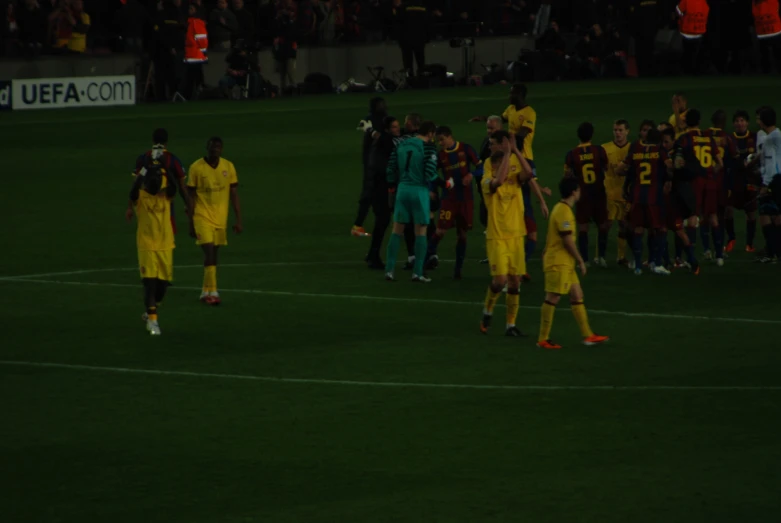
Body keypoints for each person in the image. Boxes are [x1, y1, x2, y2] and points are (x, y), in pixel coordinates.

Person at [471, 84, 550, 282]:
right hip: (509, 158)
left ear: (520, 95)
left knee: (523, 194)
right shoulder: (510, 110)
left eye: (511, 93)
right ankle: (512, 258)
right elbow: (502, 117)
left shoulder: (529, 113)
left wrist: (507, 141)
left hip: (524, 156)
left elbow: (522, 133)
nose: (509, 96)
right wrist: (485, 120)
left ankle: (516, 260)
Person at [537, 177, 609, 350]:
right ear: (574, 191)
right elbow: (567, 240)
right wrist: (580, 261)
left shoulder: (562, 209)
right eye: (579, 189)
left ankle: (588, 336)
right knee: (553, 297)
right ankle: (543, 339)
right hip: (558, 262)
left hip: (564, 263)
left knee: (577, 295)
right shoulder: (563, 211)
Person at [479, 131, 534, 338]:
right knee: (499, 281)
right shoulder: (486, 179)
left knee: (514, 282)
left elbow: (528, 174)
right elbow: (499, 181)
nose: (492, 147)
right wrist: (508, 152)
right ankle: (488, 311)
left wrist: (516, 152)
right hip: (497, 236)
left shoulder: (514, 173)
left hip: (516, 234)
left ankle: (510, 325)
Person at [187, 137, 243, 304]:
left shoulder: (228, 166)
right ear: (207, 148)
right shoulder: (196, 167)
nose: (215, 149)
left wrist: (238, 219)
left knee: (214, 255)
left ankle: (205, 291)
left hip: (220, 219)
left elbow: (234, 194)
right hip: (202, 216)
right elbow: (190, 196)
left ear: (222, 149)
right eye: (212, 147)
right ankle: (213, 292)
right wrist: (191, 222)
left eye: (218, 147)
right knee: (209, 252)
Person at [128, 155, 178, 336]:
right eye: (153, 179)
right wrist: (143, 170)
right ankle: (153, 321)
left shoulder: (165, 196)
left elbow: (175, 187)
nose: (156, 182)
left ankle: (150, 311)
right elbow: (132, 191)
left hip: (165, 245)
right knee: (149, 283)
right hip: (147, 245)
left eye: (158, 179)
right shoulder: (140, 197)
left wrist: (165, 166)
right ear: (147, 181)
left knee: (162, 285)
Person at [384, 121, 438, 282]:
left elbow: (390, 169)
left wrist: (394, 184)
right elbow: (429, 172)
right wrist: (442, 184)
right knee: (421, 232)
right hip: (419, 191)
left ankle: (389, 270)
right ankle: (418, 272)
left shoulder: (402, 144)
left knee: (396, 231)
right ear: (430, 133)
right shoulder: (428, 147)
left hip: (402, 190)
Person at [425, 126, 481, 279]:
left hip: (466, 199)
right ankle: (424, 261)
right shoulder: (440, 155)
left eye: (442, 140)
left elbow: (481, 167)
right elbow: (431, 172)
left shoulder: (466, 149)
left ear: (450, 137)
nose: (440, 143)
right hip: (449, 199)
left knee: (462, 235)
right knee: (440, 231)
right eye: (438, 141)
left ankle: (458, 269)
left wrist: (472, 174)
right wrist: (432, 189)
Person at [622, 128, 673, 275]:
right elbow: (670, 165)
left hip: (638, 196)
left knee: (638, 228)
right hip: (654, 197)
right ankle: (656, 264)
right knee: (660, 229)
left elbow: (621, 169)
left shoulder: (636, 151)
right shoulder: (660, 151)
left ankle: (638, 266)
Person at [127, 129, 193, 235]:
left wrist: (130, 207)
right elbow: (182, 187)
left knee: (148, 233)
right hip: (166, 204)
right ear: (166, 142)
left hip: (146, 205)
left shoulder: (144, 158)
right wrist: (189, 207)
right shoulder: (172, 159)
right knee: (167, 237)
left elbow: (135, 184)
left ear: (152, 141)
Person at [564, 122, 609, 266]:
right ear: (592, 135)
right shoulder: (599, 150)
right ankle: (601, 257)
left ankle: (585, 259)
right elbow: (606, 168)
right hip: (598, 193)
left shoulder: (571, 154)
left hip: (582, 195)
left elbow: (567, 175)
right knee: (602, 225)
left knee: (583, 227)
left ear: (578, 136)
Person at [365, 116, 402, 269]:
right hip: (381, 189)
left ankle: (372, 255)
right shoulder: (386, 142)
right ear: (387, 129)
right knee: (383, 220)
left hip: (378, 187)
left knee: (383, 221)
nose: (398, 129)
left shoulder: (382, 140)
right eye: (394, 127)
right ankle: (373, 256)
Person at [352, 97, 387, 238]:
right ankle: (357, 225)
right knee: (370, 194)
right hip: (374, 163)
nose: (382, 106)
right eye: (380, 105)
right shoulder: (372, 120)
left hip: (379, 162)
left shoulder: (378, 119)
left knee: (377, 194)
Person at [724, 110, 759, 253]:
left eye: (742, 120)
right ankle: (731, 239)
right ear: (733, 124)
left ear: (747, 123)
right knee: (728, 209)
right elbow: (726, 159)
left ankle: (749, 243)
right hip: (734, 180)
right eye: (737, 121)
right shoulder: (729, 139)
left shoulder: (754, 137)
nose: (740, 123)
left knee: (751, 212)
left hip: (750, 179)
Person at [601, 119, 632, 265]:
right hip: (609, 194)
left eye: (620, 130)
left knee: (624, 225)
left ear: (627, 131)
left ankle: (621, 257)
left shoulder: (632, 149)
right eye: (615, 130)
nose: (617, 133)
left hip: (626, 194)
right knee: (606, 225)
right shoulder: (605, 148)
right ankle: (600, 256)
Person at [701, 109, 730, 263]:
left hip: (704, 181)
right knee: (718, 216)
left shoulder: (704, 134)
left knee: (703, 217)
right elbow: (733, 156)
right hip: (719, 182)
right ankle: (720, 252)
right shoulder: (726, 137)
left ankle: (706, 250)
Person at [475, 115, 503, 264]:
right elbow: (481, 165)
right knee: (485, 219)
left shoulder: (506, 144)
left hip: (502, 192)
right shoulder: (486, 142)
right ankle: (493, 253)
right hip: (487, 188)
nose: (489, 131)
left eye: (492, 128)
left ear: (500, 128)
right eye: (487, 127)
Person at [757, 107, 781, 263]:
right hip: (779, 180)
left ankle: (774, 252)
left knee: (766, 216)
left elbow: (771, 164)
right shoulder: (778, 135)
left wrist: (766, 185)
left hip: (774, 181)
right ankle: (774, 253)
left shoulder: (770, 139)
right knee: (776, 216)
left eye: (759, 119)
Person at [183, 1, 209, 100]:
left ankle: (190, 95)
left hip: (195, 54)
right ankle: (198, 94)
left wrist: (202, 51)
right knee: (196, 75)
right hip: (194, 54)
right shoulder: (192, 22)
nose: (189, 10)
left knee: (192, 76)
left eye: (192, 9)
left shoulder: (195, 22)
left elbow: (201, 38)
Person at [675, 0, 709, 75]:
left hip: (686, 31)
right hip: (699, 31)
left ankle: (686, 71)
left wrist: (682, 18)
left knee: (686, 55)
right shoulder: (703, 2)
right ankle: (692, 71)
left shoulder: (687, 1)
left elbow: (678, 11)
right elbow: (706, 13)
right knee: (694, 55)